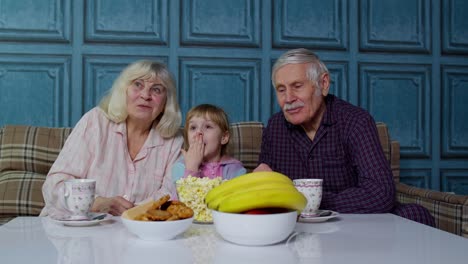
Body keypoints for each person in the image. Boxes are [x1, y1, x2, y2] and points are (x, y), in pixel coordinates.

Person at [254, 48, 435, 226]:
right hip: (296, 226)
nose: (289, 98)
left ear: (323, 84)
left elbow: (381, 194)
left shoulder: (356, 122)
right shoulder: (275, 127)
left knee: (416, 214)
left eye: (297, 86)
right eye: (281, 90)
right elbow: (267, 189)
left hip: (355, 222)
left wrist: (311, 201)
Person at [40, 60, 183, 217]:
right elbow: (54, 184)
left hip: (138, 232)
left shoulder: (174, 141)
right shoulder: (95, 122)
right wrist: (94, 202)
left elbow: (171, 194)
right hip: (74, 227)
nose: (145, 95)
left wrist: (134, 214)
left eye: (156, 90)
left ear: (166, 102)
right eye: (138, 85)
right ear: (124, 91)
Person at [171, 104, 246, 181]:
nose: (199, 132)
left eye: (208, 126)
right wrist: (192, 168)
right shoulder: (180, 167)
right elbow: (183, 192)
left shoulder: (234, 169)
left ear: (224, 137)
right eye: (193, 128)